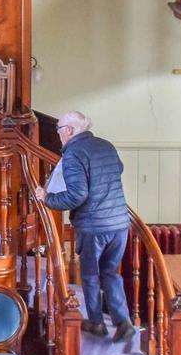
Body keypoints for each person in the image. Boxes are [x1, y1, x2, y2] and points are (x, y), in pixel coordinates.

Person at [34, 110, 136, 342]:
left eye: (59, 129)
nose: (58, 134)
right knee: (110, 273)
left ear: (69, 130)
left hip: (94, 227)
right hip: (119, 223)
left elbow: (77, 195)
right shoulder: (105, 145)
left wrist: (47, 197)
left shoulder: (73, 155)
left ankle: (97, 323)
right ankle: (123, 322)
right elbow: (118, 169)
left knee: (90, 275)